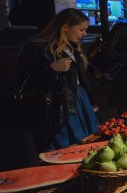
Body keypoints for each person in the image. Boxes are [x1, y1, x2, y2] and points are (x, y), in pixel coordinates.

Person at [16, 8, 99, 151]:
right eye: (81, 30)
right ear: (65, 27)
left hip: (78, 100)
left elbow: (80, 79)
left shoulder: (72, 47)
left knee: (87, 144)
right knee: (64, 146)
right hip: (56, 105)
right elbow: (25, 81)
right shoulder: (36, 47)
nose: (84, 34)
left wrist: (91, 102)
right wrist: (51, 69)